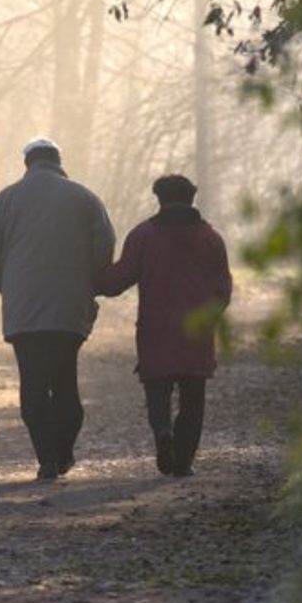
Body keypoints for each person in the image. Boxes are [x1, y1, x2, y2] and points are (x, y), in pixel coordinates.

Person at [0, 137, 116, 481]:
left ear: (27, 163)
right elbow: (105, 245)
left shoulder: (4, 200)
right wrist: (88, 282)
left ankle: (47, 458)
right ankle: (63, 451)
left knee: (33, 383)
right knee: (65, 380)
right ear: (58, 161)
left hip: (24, 313)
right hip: (69, 309)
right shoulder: (85, 198)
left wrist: (8, 285)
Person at [95, 174, 232, 477]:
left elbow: (119, 279)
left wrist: (89, 280)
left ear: (159, 198)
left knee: (157, 390)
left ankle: (162, 433)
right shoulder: (211, 238)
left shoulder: (143, 235)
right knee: (193, 397)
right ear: (192, 198)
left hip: (155, 329)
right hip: (197, 332)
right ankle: (183, 461)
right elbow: (223, 289)